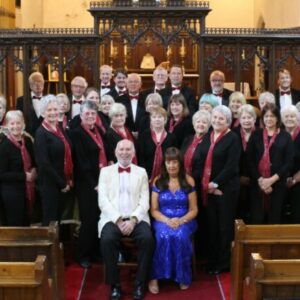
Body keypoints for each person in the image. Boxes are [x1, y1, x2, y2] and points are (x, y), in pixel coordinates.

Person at [99, 139, 155, 300]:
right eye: (121, 149)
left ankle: (139, 283)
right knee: (107, 240)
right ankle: (114, 284)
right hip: (112, 218)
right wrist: (117, 220)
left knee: (147, 239)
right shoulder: (105, 172)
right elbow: (102, 200)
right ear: (116, 152)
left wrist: (133, 220)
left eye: (128, 149)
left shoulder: (141, 172)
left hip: (136, 218)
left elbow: (145, 200)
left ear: (133, 153)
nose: (125, 152)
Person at [193, 105, 240, 274]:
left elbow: (232, 167)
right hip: (209, 190)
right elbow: (199, 159)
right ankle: (212, 260)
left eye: (221, 118)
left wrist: (215, 184)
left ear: (227, 121)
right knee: (212, 226)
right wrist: (207, 186)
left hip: (225, 190)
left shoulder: (233, 138)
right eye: (215, 117)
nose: (217, 120)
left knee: (224, 228)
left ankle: (223, 263)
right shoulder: (208, 136)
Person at [148, 147, 198, 293]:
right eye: (168, 162)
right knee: (162, 235)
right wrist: (167, 220)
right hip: (162, 219)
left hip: (185, 219)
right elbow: (154, 210)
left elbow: (194, 210)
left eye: (175, 162)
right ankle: (155, 277)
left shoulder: (189, 180)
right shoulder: (158, 181)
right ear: (164, 164)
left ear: (180, 164)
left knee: (180, 235)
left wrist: (181, 220)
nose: (172, 166)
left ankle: (182, 276)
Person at [71, 101, 107, 269]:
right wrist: (94, 184)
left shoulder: (98, 130)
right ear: (81, 115)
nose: (91, 117)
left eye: (93, 114)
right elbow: (81, 163)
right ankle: (82, 255)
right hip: (87, 184)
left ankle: (94, 251)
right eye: (87, 114)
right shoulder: (77, 133)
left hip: (101, 182)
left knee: (99, 218)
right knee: (89, 219)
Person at [247, 103, 294, 224]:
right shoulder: (255, 135)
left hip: (277, 185)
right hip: (257, 185)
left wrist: (271, 180)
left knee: (275, 219)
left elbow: (289, 162)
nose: (269, 119)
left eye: (272, 116)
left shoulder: (285, 136)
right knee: (257, 219)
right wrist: (261, 181)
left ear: (277, 118)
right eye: (266, 116)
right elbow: (249, 160)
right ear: (262, 118)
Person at [35, 95, 73, 226]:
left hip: (62, 182)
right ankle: (50, 247)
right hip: (50, 185)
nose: (53, 113)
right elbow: (44, 164)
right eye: (49, 110)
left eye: (55, 109)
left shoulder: (59, 129)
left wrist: (67, 180)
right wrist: (62, 184)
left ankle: (57, 246)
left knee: (58, 220)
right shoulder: (41, 133)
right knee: (50, 222)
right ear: (43, 112)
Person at [0, 110, 36, 226]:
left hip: (28, 190)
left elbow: (34, 162)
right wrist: (25, 176)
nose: (16, 126)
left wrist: (35, 170)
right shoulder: (4, 146)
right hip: (12, 194)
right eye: (12, 123)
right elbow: (2, 174)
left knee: (27, 223)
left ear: (23, 124)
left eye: (18, 123)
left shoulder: (28, 141)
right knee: (15, 226)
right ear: (6, 125)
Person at [137, 107, 177, 184]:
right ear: (151, 120)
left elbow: (174, 158)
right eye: (154, 117)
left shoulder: (172, 137)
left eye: (160, 117)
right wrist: (145, 175)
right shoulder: (144, 136)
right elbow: (140, 157)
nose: (157, 119)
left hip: (166, 177)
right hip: (146, 177)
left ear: (165, 120)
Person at [232, 104, 257, 221]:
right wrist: (238, 177)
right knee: (238, 214)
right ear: (239, 120)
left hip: (257, 180)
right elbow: (230, 160)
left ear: (254, 119)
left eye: (249, 117)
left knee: (254, 213)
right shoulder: (233, 134)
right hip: (237, 179)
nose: (246, 120)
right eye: (243, 118)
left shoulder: (261, 134)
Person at [281, 105, 300, 223]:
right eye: (286, 116)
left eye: (292, 116)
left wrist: (294, 180)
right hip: (280, 181)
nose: (289, 119)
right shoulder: (279, 135)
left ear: (297, 118)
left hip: (298, 182)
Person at [181, 110, 211, 176]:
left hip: (199, 180)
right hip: (183, 177)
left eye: (204, 122)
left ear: (209, 125)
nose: (201, 124)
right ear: (194, 124)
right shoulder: (188, 139)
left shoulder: (210, 142)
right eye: (198, 121)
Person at [16, 71, 45, 136]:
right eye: (34, 82)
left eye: (40, 81)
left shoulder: (49, 99)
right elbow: (19, 120)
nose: (37, 85)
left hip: (46, 136)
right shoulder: (21, 100)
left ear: (43, 83)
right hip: (28, 136)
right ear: (30, 85)